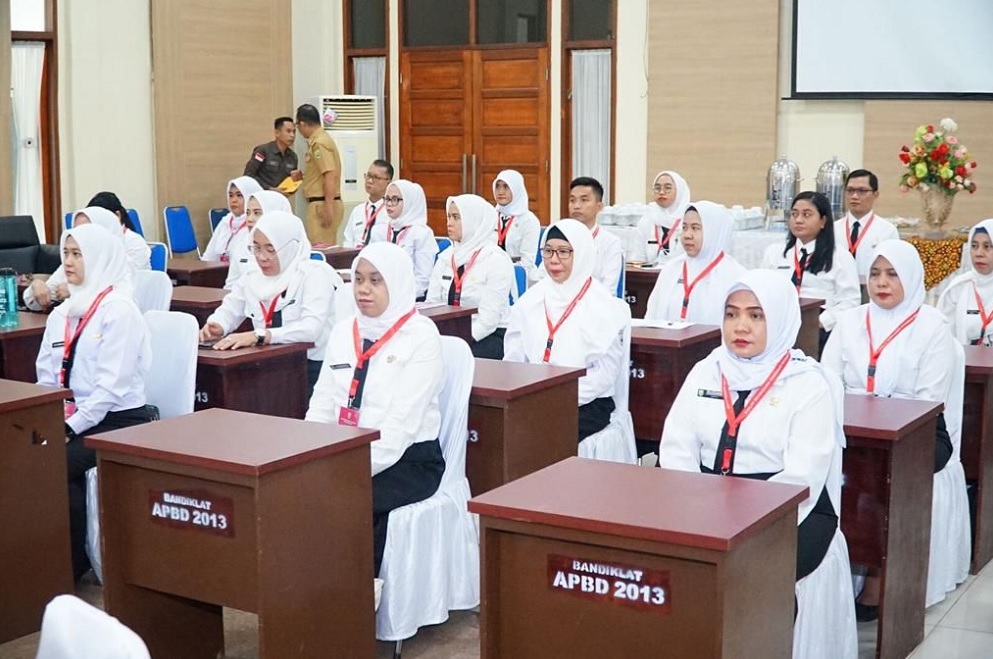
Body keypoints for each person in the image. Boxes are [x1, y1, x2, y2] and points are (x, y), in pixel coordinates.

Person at [659, 270, 857, 659]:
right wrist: (696, 503)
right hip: (706, 497)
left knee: (753, 575)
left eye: (756, 315)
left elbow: (803, 475)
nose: (741, 326)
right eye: (731, 314)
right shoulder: (707, 369)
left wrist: (739, 520)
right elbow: (676, 446)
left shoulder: (809, 383)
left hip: (789, 510)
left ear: (780, 319)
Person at [822, 239, 969, 614]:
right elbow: (827, 381)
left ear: (911, 277)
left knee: (876, 471)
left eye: (891, 274)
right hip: (855, 426)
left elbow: (926, 402)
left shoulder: (933, 327)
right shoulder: (851, 321)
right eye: (874, 273)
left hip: (917, 434)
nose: (881, 282)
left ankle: (877, 573)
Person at [305, 242, 446, 580]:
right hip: (345, 449)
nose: (363, 290)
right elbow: (322, 402)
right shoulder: (343, 331)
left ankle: (359, 594)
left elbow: (400, 427)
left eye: (375, 280)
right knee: (296, 491)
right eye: (358, 279)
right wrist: (306, 455)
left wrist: (345, 469)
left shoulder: (422, 337)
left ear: (396, 283)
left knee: (345, 499)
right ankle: (311, 592)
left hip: (409, 459)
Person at [35, 223, 156, 581]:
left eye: (78, 254)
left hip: (120, 420)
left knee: (50, 463)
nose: (68, 262)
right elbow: (45, 374)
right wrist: (50, 418)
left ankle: (67, 564)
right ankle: (66, 559)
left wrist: (68, 427)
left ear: (100, 258)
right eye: (66, 254)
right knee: (27, 459)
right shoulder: (62, 313)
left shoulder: (119, 311)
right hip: (71, 417)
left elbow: (109, 391)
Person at [504, 219, 630, 443]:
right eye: (548, 251)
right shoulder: (531, 299)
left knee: (544, 434)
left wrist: (560, 395)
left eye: (563, 252)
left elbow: (606, 372)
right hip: (534, 395)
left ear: (581, 253)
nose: (554, 260)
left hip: (586, 401)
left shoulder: (602, 304)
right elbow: (514, 358)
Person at [199, 211, 342, 395]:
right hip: (268, 364)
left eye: (270, 249)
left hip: (312, 370)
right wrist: (217, 324)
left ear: (290, 247)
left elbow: (310, 330)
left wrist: (260, 335)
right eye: (256, 248)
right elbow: (231, 307)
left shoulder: (313, 274)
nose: (262, 257)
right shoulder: (252, 275)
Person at [762, 191, 859, 355]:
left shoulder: (840, 257)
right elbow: (762, 290)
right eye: (794, 214)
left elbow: (850, 302)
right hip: (779, 325)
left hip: (820, 327)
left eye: (807, 214)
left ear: (823, 221)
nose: (798, 220)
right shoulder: (775, 252)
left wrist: (819, 323)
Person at [428, 194, 514, 359]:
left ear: (473, 221)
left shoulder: (495, 259)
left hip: (489, 335)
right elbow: (432, 304)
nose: (449, 222)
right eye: (448, 217)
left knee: (452, 360)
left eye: (456, 217)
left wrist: (458, 344)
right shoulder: (445, 258)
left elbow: (489, 320)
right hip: (450, 334)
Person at [644, 201, 746, 325]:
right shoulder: (672, 268)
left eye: (695, 228)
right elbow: (651, 317)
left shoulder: (735, 276)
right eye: (684, 227)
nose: (687, 235)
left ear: (714, 232)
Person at [24, 206, 140, 311]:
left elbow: (115, 301)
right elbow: (36, 302)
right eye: (76, 231)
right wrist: (37, 285)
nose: (79, 236)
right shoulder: (73, 261)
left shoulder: (122, 267)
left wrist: (75, 291)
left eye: (87, 230)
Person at [372, 179, 438, 301]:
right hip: (381, 295)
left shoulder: (421, 233)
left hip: (410, 298)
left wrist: (399, 298)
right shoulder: (379, 230)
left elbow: (423, 279)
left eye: (395, 199)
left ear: (410, 202)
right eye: (387, 199)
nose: (389, 204)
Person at [833, 169, 899, 278]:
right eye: (850, 190)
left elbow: (892, 267)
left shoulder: (887, 231)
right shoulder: (833, 229)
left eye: (862, 191)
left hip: (872, 289)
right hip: (836, 288)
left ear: (875, 194)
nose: (854, 196)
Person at [202, 176, 264, 289]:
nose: (233, 200)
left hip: (243, 284)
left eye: (239, 195)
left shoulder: (256, 225)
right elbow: (209, 256)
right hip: (218, 280)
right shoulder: (226, 221)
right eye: (230, 195)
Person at [938, 218, 993, 345]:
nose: (979, 253)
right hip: (965, 362)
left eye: (987, 247)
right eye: (974, 246)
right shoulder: (958, 287)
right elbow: (944, 338)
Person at [567, 177, 624, 295]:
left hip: (595, 307)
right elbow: (542, 278)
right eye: (572, 200)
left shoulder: (610, 243)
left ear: (599, 206)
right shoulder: (559, 238)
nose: (576, 206)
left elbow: (609, 289)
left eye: (584, 200)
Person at [296, 103, 343, 244]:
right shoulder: (320, 140)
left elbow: (330, 174)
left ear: (303, 124)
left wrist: (328, 208)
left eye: (297, 125)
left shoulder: (319, 143)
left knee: (322, 251)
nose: (298, 130)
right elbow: (320, 174)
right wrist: (303, 177)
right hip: (320, 202)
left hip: (322, 204)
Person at [232, 191, 294, 281]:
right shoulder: (242, 244)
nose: (249, 219)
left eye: (257, 213)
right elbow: (230, 285)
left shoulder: (291, 247)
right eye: (248, 213)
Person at [492, 169, 541, 282]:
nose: (500, 192)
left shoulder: (529, 220)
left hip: (519, 275)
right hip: (490, 274)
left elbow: (527, 261)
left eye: (506, 187)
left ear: (516, 189)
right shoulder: (490, 216)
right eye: (497, 186)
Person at [634, 170, 690, 265]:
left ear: (679, 191)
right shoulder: (648, 219)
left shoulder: (689, 219)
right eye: (657, 188)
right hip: (650, 277)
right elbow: (638, 257)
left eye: (667, 188)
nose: (661, 192)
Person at [86, 191, 151, 270]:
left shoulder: (134, 242)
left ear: (117, 215)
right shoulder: (94, 240)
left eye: (99, 218)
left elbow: (128, 275)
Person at [342, 159, 393, 248]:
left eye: (375, 177)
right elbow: (348, 241)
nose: (369, 181)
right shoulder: (358, 211)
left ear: (388, 182)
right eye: (368, 176)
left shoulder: (391, 211)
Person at [242, 116, 302, 192]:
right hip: (261, 197)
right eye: (288, 131)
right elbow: (248, 175)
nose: (292, 135)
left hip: (280, 199)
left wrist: (297, 180)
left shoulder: (293, 157)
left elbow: (292, 184)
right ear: (277, 133)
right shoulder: (263, 151)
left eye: (294, 132)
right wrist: (269, 189)